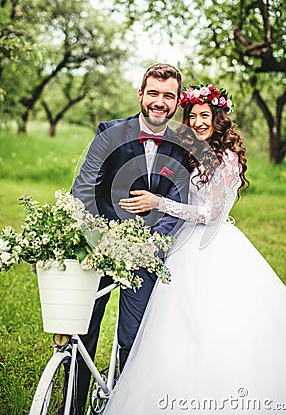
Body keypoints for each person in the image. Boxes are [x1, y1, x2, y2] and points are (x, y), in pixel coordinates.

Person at [102, 84, 286, 414]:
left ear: (218, 118)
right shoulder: (190, 152)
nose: (196, 122)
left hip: (212, 246)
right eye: (192, 116)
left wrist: (159, 203)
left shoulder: (227, 158)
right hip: (180, 243)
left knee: (214, 318)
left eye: (204, 116)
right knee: (172, 322)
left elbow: (209, 213)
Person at [71, 63, 191, 413]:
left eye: (168, 96)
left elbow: (177, 205)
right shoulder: (109, 134)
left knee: (134, 337)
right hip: (101, 247)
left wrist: (150, 248)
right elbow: (83, 192)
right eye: (153, 93)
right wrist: (101, 242)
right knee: (83, 330)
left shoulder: (182, 147)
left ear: (176, 101)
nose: (159, 102)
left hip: (146, 254)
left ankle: (126, 403)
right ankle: (73, 404)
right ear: (141, 95)